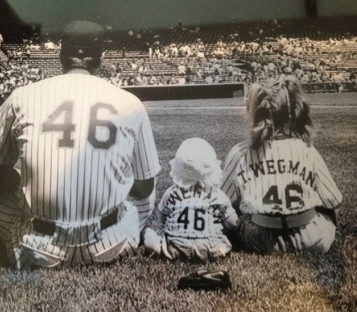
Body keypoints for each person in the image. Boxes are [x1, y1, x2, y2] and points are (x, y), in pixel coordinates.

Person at [0, 21, 161, 269]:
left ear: (61, 54)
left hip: (38, 250)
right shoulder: (131, 102)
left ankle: (29, 226)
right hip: (110, 247)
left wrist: (21, 180)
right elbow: (143, 188)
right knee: (146, 184)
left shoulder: (22, 95)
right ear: (101, 58)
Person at [221, 75, 343, 254]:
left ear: (255, 111)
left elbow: (222, 201)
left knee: (236, 214)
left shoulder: (241, 152)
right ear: (291, 111)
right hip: (311, 238)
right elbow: (333, 201)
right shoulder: (306, 149)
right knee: (327, 216)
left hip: (259, 240)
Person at [142, 138, 238, 261]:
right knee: (224, 237)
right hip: (213, 249)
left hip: (176, 247)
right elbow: (233, 223)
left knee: (152, 236)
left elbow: (161, 219)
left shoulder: (171, 193)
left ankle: (146, 235)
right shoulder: (218, 195)